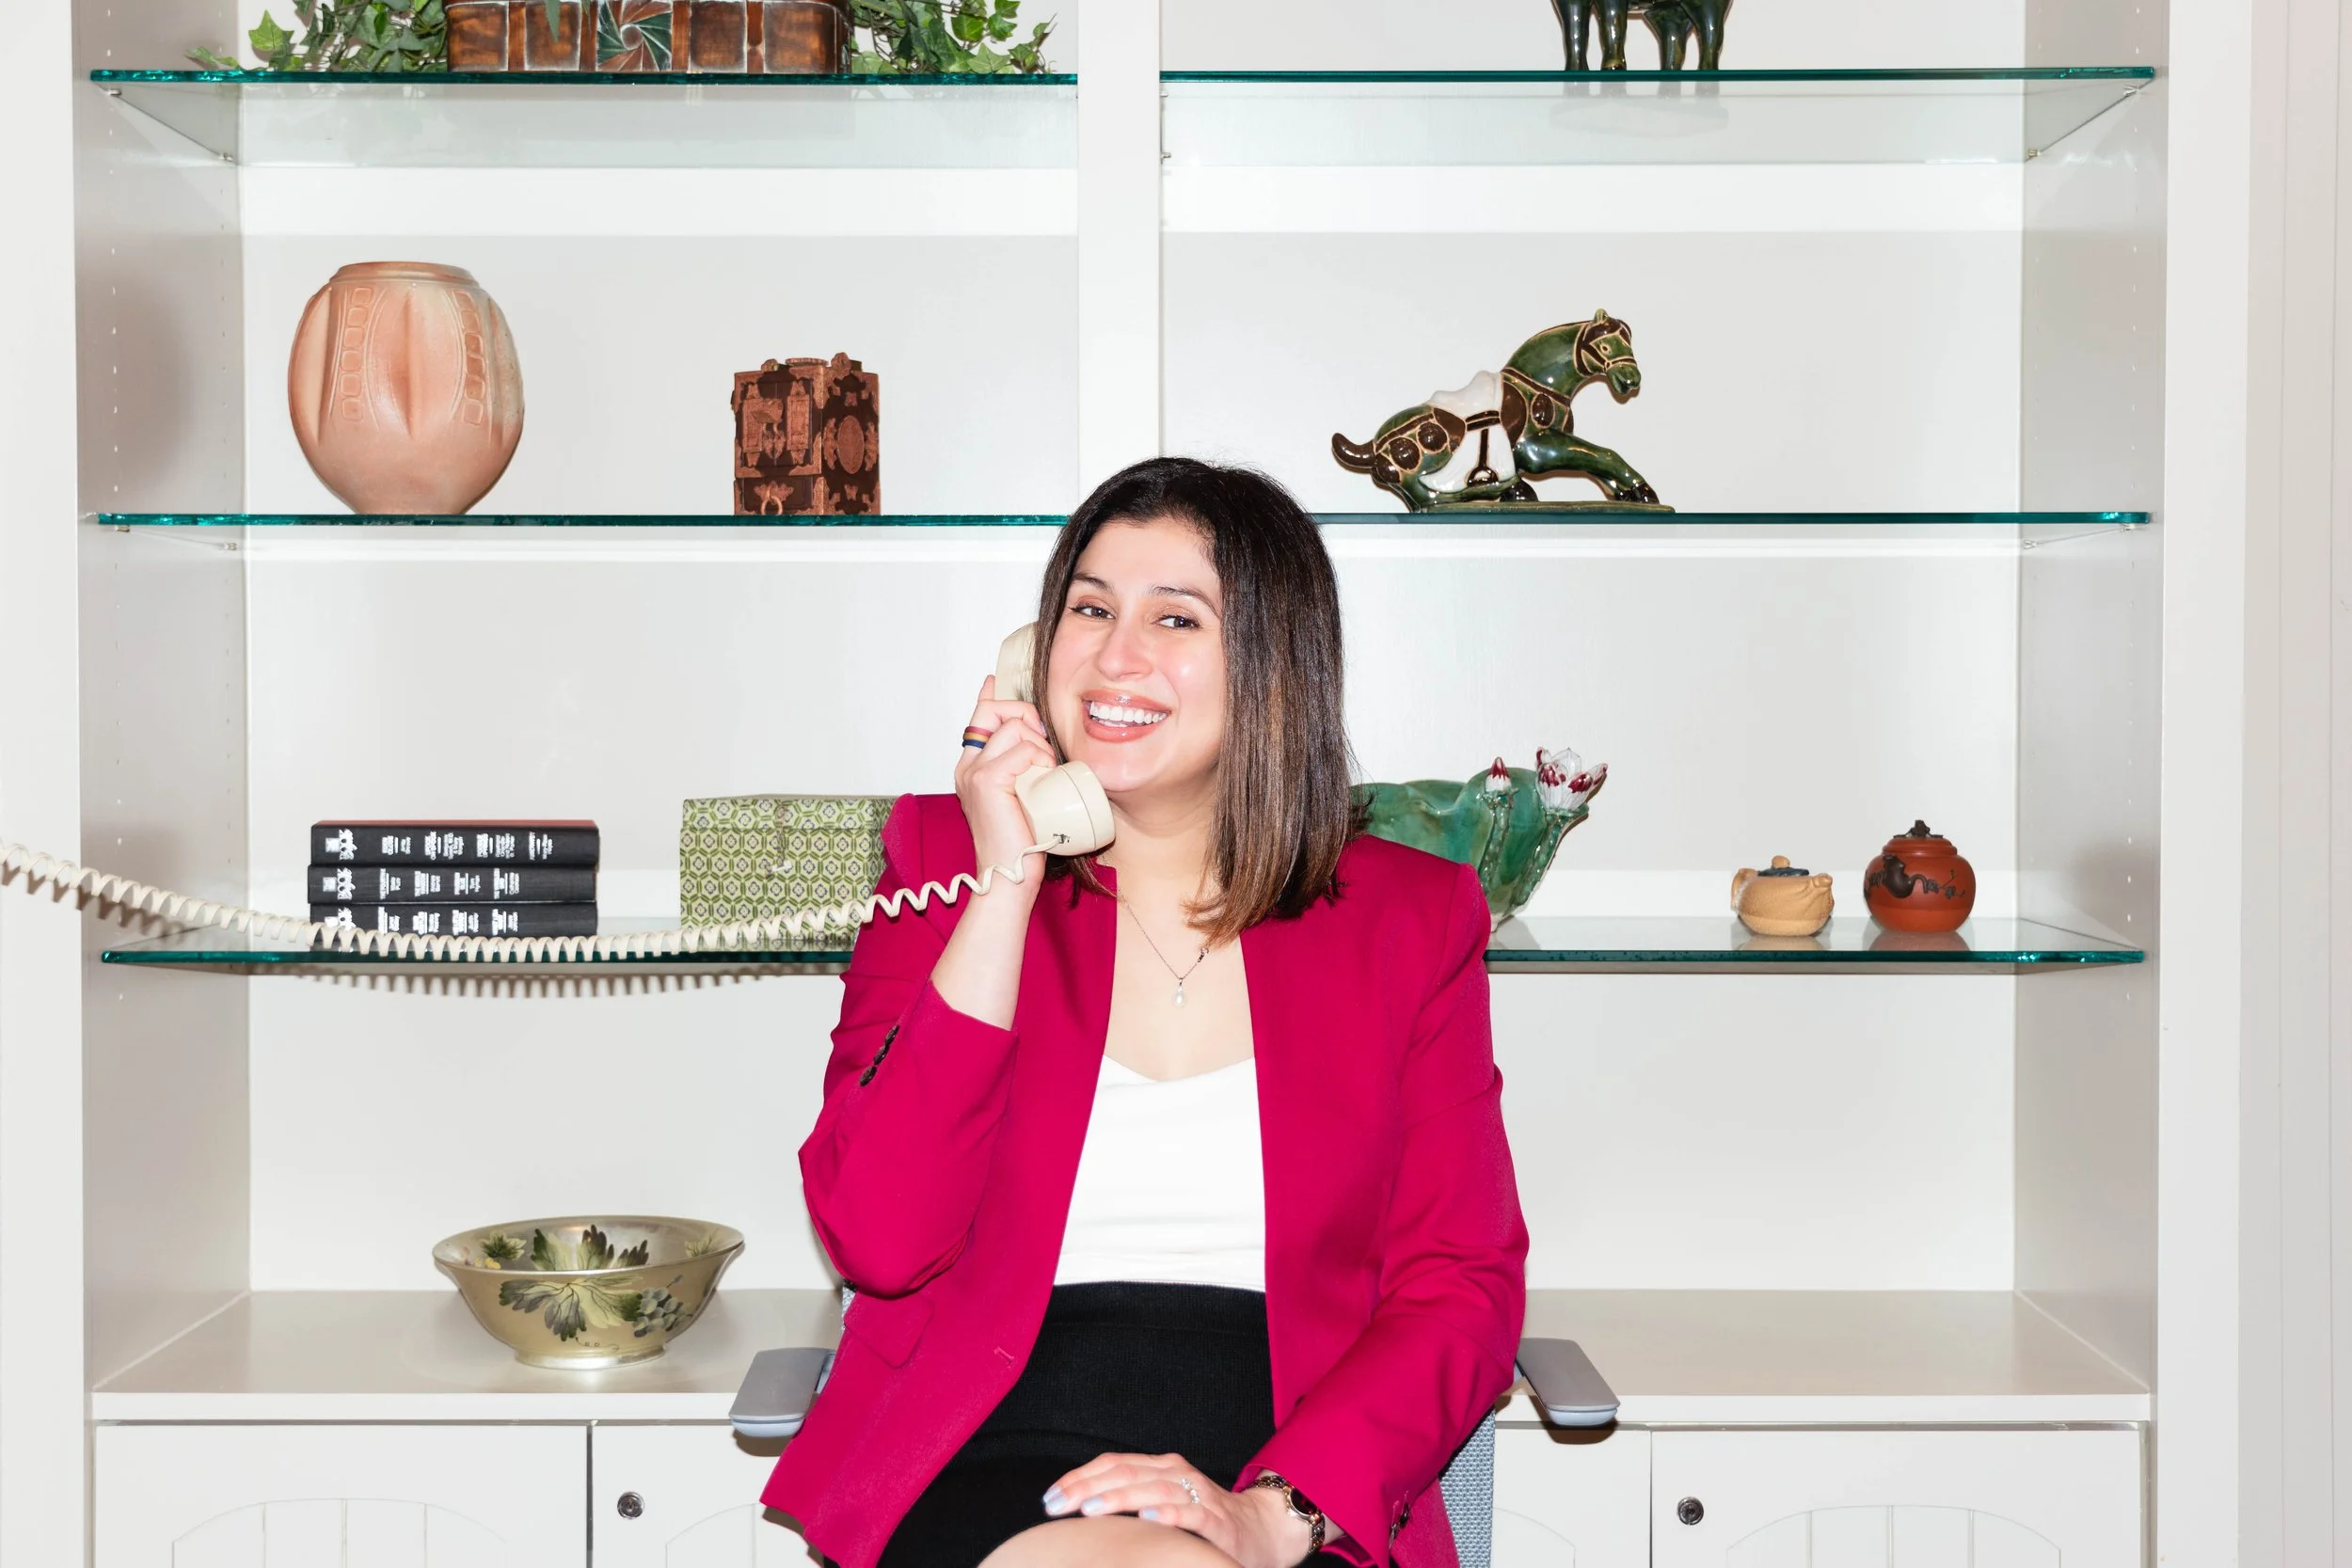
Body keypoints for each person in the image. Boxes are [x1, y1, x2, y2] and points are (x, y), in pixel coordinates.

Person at [761, 457, 1529, 1568]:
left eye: (1176, 617)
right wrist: (1006, 883)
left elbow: (1459, 1281)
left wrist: (1282, 1507)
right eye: (1088, 607)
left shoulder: (1411, 918)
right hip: (991, 1431)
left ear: (1273, 670)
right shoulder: (945, 859)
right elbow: (879, 1237)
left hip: (1292, 1454)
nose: (1115, 656)